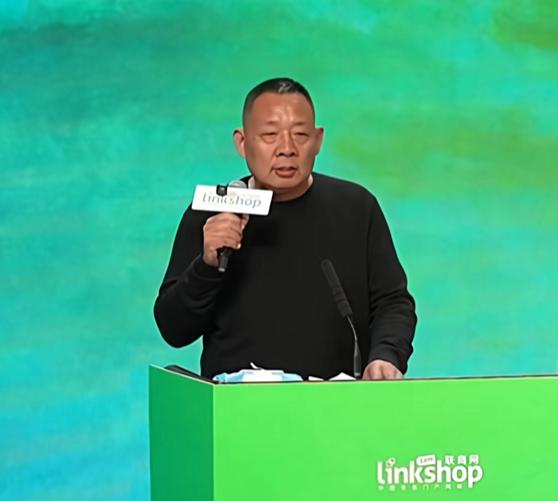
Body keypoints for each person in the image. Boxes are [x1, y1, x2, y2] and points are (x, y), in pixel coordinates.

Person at [154, 77, 417, 380]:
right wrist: (206, 266)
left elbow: (392, 302)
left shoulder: (356, 207)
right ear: (242, 143)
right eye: (270, 135)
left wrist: (386, 355)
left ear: (318, 140)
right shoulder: (212, 213)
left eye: (300, 135)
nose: (287, 149)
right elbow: (173, 329)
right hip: (238, 403)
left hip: (337, 400)